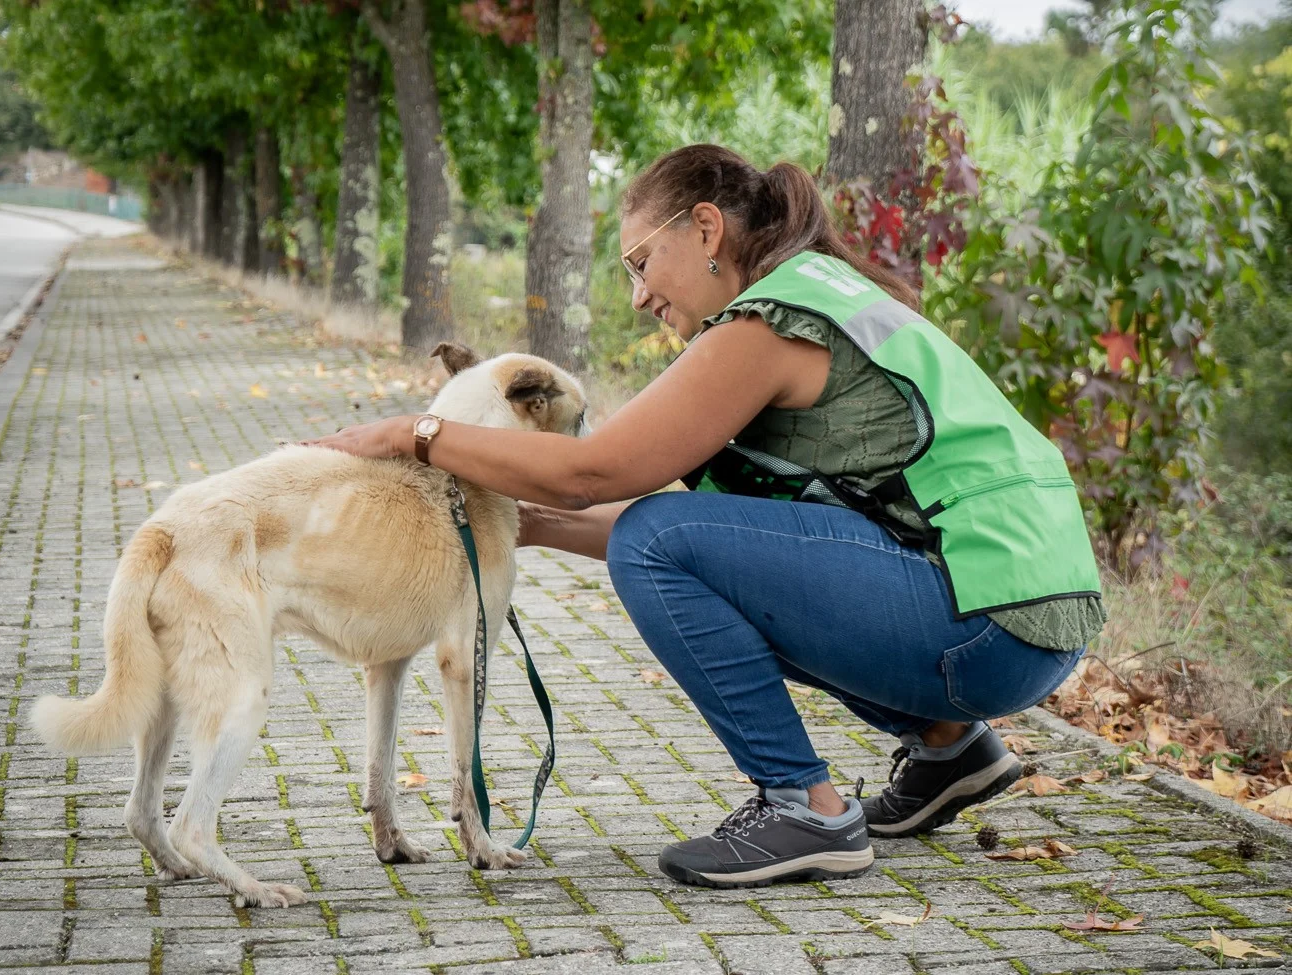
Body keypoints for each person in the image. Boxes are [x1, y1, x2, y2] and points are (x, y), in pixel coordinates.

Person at [306, 144, 1106, 890]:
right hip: (1023, 615)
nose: (639, 293)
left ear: (705, 227)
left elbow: (599, 474)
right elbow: (724, 547)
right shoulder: (819, 288)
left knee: (659, 538)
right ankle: (946, 747)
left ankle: (805, 809)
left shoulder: (766, 320)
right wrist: (533, 523)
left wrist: (416, 434)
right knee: (676, 541)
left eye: (642, 262)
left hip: (988, 623)